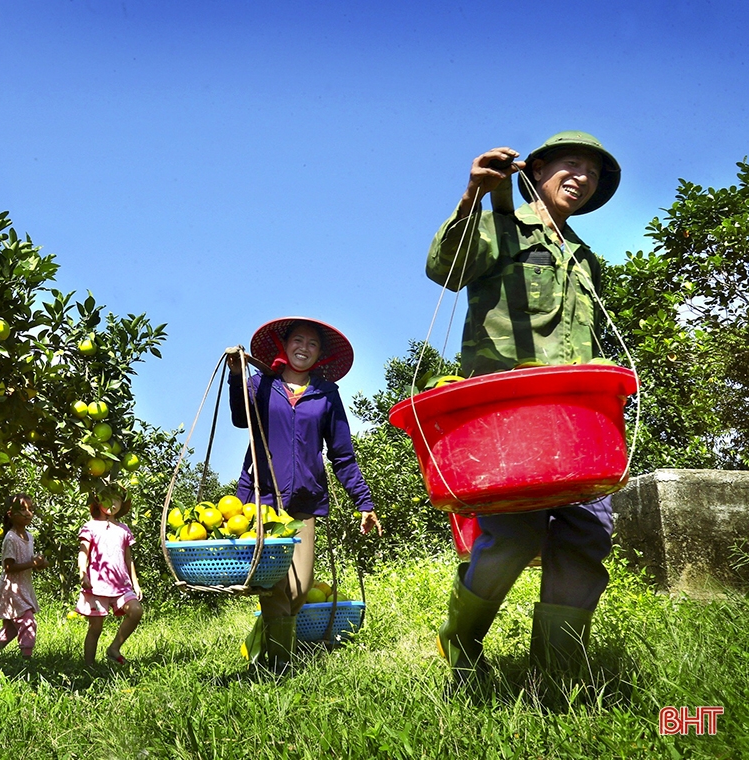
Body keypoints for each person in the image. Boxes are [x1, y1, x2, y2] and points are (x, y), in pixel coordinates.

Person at [426, 131, 622, 691]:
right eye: (570, 163)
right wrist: (473, 196)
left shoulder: (585, 260)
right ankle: (460, 641)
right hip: (508, 416)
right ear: (537, 172)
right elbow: (448, 269)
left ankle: (555, 677)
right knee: (511, 536)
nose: (580, 177)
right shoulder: (500, 225)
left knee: (586, 534)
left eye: (592, 172)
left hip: (576, 418)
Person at [227, 317, 382, 673]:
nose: (304, 348)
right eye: (298, 340)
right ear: (285, 346)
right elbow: (240, 419)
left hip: (305, 503)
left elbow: (342, 454)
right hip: (264, 502)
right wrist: (238, 376)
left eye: (313, 344)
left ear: (320, 354)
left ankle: (260, 643)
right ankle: (278, 668)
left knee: (299, 590)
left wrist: (364, 502)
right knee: (273, 587)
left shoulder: (326, 395)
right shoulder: (260, 385)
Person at [76, 490, 142, 666]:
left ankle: (114, 648)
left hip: (122, 585)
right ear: (98, 502)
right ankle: (88, 666)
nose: (112, 504)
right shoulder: (90, 526)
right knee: (95, 629)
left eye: (117, 500)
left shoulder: (124, 529)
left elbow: (129, 559)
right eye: (107, 499)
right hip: (97, 586)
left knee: (136, 611)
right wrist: (83, 573)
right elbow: (84, 552)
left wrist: (135, 584)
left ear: (122, 504)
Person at [0, 493, 48, 659]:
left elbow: (28, 562)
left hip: (24, 587)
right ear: (10, 514)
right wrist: (33, 564)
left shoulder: (29, 537)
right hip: (13, 589)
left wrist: (40, 564)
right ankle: (27, 659)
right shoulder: (10, 538)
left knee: (10, 630)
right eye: (22, 509)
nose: (28, 513)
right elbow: (9, 567)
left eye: (31, 509)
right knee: (28, 623)